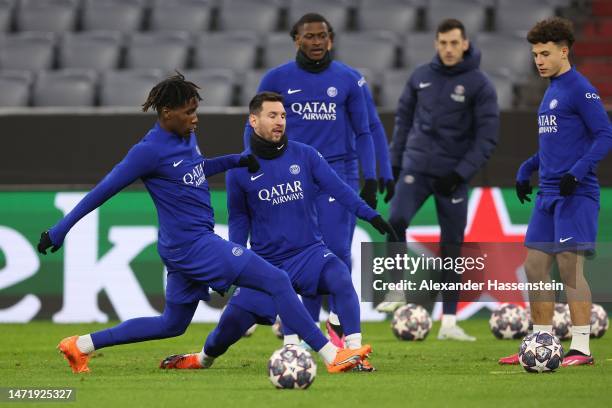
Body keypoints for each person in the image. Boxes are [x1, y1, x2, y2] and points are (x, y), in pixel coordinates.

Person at [37, 73, 371, 374]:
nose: (195, 118)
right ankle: (332, 356)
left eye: (196, 110)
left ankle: (80, 345)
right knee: (278, 279)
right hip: (193, 245)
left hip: (181, 246)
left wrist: (233, 161)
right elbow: (103, 190)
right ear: (167, 113)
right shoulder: (147, 152)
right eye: (188, 112)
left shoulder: (185, 138)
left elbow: (193, 172)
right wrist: (60, 229)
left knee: (171, 324)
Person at [160, 92, 397, 372]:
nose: (280, 121)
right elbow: (238, 220)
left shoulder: (305, 155)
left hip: (309, 254)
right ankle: (200, 359)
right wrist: (234, 264)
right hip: (266, 265)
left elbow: (340, 190)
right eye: (272, 115)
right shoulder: (239, 170)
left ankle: (353, 353)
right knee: (225, 333)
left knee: (340, 277)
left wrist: (372, 216)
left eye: (283, 116)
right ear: (253, 120)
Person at [245, 13, 390, 344]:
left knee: (336, 251)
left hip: (338, 173)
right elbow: (252, 125)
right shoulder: (276, 78)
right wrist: (253, 166)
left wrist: (371, 176)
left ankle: (338, 325)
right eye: (309, 36)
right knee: (302, 252)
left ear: (331, 39)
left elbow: (365, 130)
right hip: (290, 173)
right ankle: (297, 338)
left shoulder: (349, 79)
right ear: (297, 39)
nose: (316, 42)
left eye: (322, 36)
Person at [499, 17, 612, 366]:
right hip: (547, 195)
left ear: (564, 52)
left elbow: (605, 134)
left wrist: (577, 174)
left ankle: (581, 348)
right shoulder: (550, 91)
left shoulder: (579, 88)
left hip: (575, 195)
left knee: (569, 270)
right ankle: (540, 342)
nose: (539, 61)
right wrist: (525, 169)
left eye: (545, 54)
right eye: (535, 55)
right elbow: (554, 146)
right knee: (534, 267)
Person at [378, 18, 499, 342]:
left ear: (465, 44)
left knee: (451, 247)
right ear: (436, 43)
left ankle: (448, 323)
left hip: (453, 176)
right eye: (443, 43)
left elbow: (486, 138)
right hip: (415, 168)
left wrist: (460, 174)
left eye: (454, 43)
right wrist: (393, 166)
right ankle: (396, 288)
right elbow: (403, 121)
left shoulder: (480, 84)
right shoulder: (420, 77)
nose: (448, 49)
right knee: (395, 220)